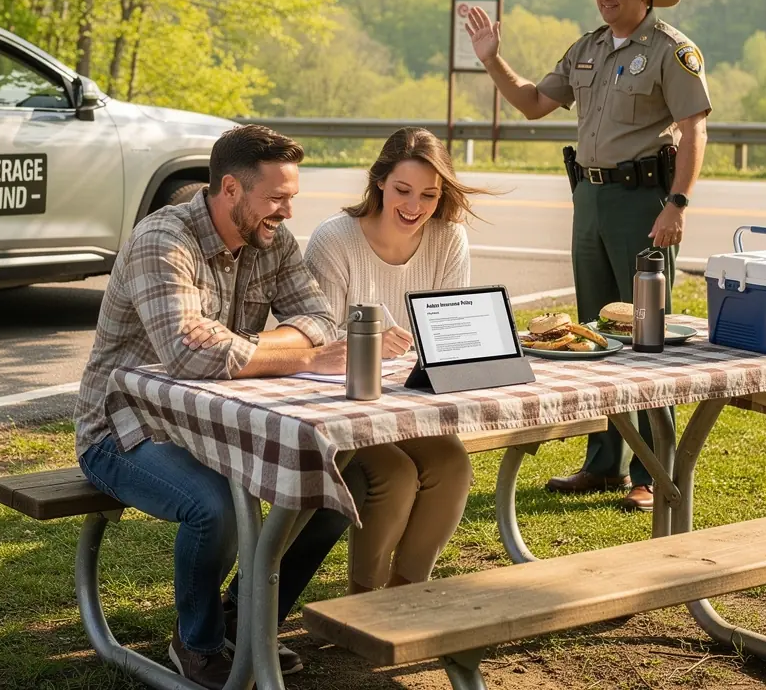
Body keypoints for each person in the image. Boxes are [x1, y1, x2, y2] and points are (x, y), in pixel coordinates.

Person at [73, 124, 364, 689]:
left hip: (215, 424)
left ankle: (246, 625)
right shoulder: (164, 241)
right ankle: (198, 642)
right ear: (230, 189)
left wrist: (257, 349)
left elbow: (322, 320)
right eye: (277, 197)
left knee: (324, 496)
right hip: (124, 428)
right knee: (217, 511)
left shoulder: (270, 240)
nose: (287, 210)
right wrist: (302, 357)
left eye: (292, 197)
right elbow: (187, 354)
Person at [466, 0, 711, 513]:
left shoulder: (671, 52)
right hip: (590, 200)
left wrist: (677, 203)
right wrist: (490, 57)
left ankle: (653, 471)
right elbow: (532, 103)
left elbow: (695, 130)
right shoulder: (589, 48)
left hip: (644, 201)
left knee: (646, 335)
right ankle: (604, 461)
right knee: (592, 335)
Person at [304, 127, 478, 593]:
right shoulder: (334, 239)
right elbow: (316, 336)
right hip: (344, 407)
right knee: (396, 475)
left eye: (429, 194)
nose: (414, 206)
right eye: (403, 190)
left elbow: (450, 327)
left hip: (410, 403)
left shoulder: (449, 238)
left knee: (453, 466)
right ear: (379, 181)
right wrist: (367, 341)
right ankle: (365, 598)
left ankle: (405, 592)